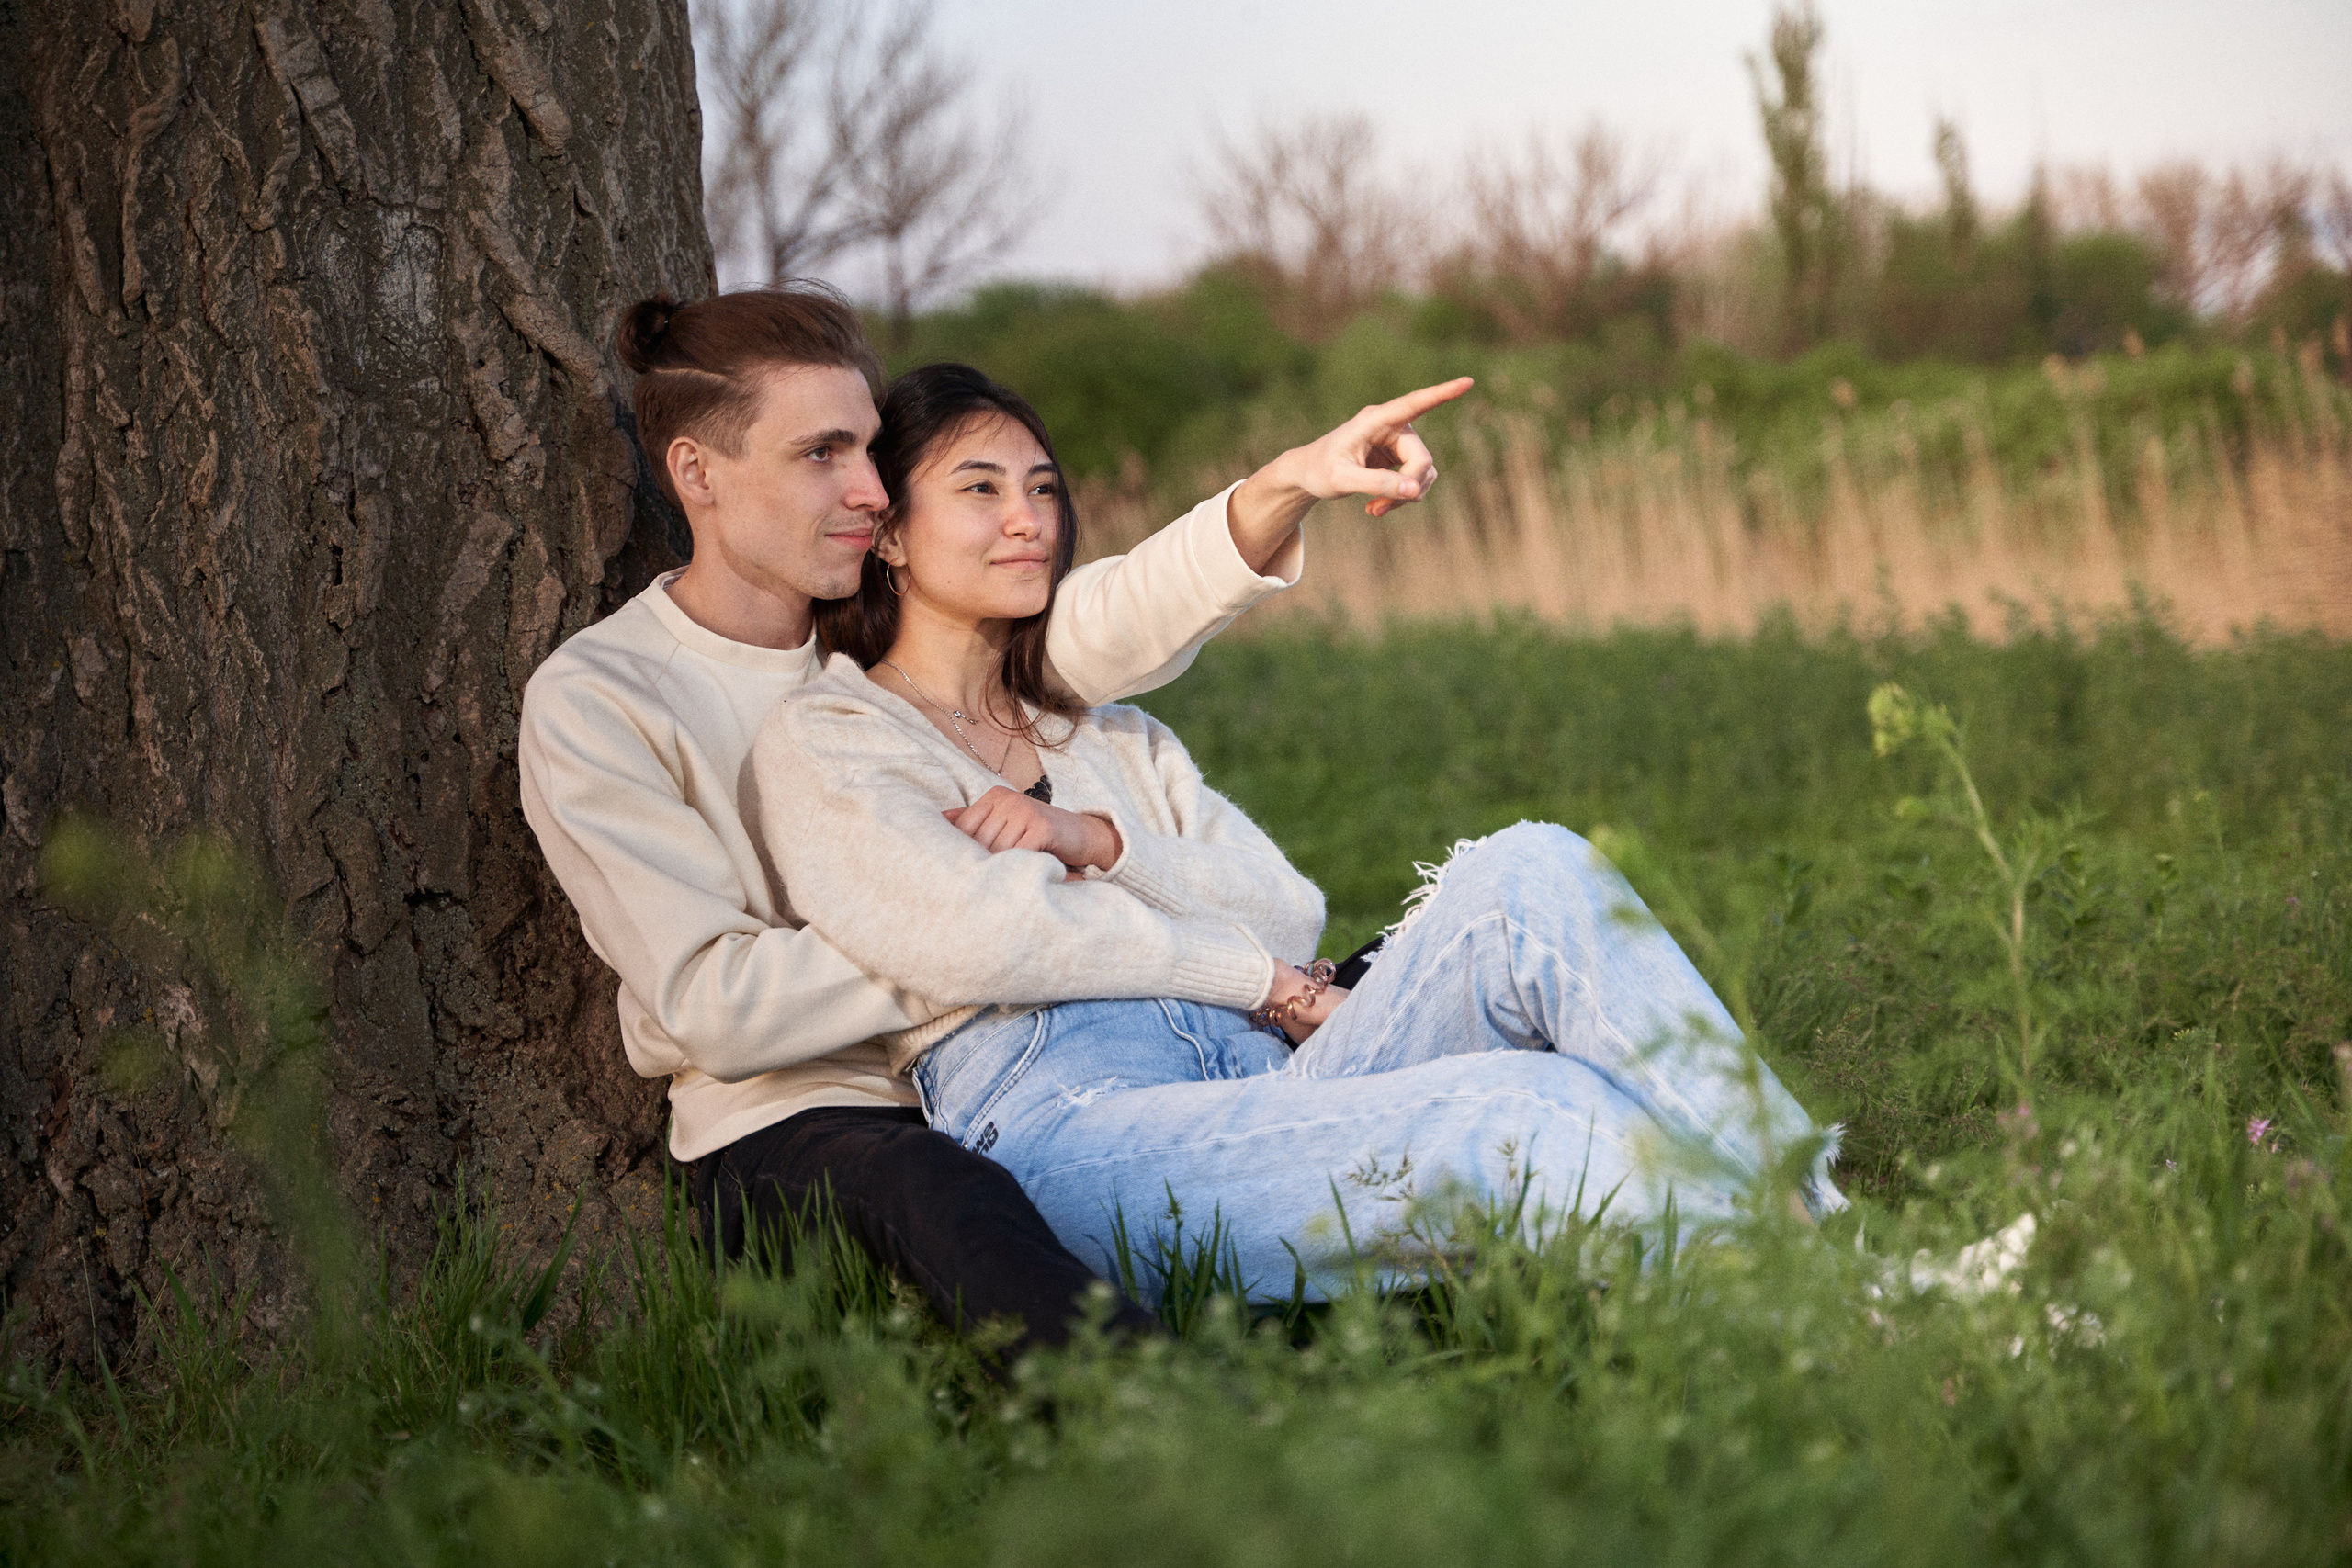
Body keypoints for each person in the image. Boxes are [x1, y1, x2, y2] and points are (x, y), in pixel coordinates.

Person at [758, 363, 1846, 1302]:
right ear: (889, 532)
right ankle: (1831, 1307)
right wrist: (1255, 980)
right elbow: (986, 938)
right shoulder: (836, 737)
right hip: (1074, 1125)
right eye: (981, 489)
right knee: (1526, 1103)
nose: (1028, 520)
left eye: (1043, 487)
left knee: (1532, 867)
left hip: (1262, 1079)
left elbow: (1285, 909)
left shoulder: (1109, 736)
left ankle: (1826, 1237)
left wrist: (1100, 842)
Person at [518, 282, 1472, 1348]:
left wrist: (1288, 484)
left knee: (1419, 959)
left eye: (870, 451)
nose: (868, 491)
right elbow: (712, 1004)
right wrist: (994, 924)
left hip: (1064, 1046)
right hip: (817, 1116)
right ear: (698, 472)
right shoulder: (604, 699)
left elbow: (1124, 609)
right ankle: (1164, 1411)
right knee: (946, 1195)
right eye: (820, 455)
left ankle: (1492, 1198)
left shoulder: (899, 626)